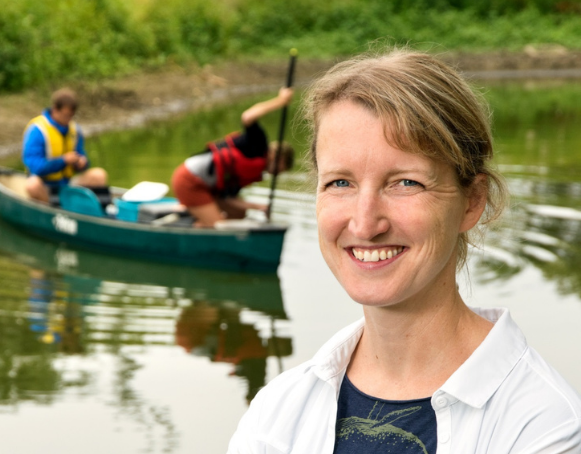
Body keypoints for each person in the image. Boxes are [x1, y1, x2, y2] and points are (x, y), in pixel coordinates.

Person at [228, 50, 581, 453]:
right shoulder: (276, 413)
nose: (364, 224)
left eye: (406, 183)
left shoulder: (546, 426)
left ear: (472, 200)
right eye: (340, 183)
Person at [171, 88, 295, 227]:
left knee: (238, 214)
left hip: (208, 188)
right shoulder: (258, 146)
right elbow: (248, 116)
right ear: (278, 157)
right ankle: (193, 228)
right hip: (190, 180)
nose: (276, 173)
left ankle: (197, 217)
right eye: (279, 169)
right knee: (218, 225)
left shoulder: (255, 171)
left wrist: (259, 207)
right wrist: (280, 101)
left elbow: (229, 198)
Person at [23, 88, 107, 202]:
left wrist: (81, 163)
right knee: (32, 185)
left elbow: (81, 154)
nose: (68, 120)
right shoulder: (37, 130)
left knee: (98, 175)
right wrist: (63, 161)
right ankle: (52, 211)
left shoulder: (75, 130)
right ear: (55, 109)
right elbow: (35, 167)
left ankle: (95, 211)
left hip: (66, 184)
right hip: (45, 186)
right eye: (66, 115)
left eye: (71, 116)